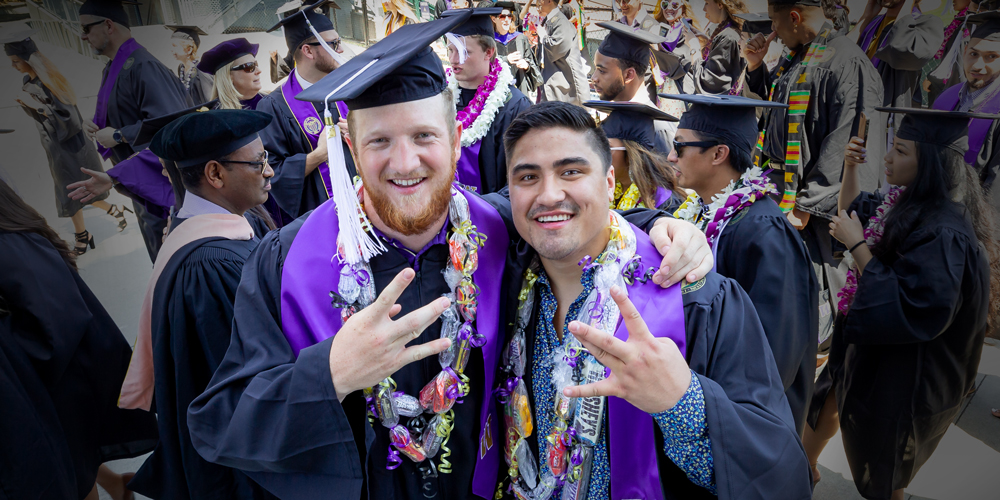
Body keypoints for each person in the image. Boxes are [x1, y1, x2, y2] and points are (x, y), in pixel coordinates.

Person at [187, 16, 713, 499]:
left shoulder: (499, 228)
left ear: (458, 139)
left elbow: (573, 218)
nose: (405, 161)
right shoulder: (284, 262)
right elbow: (220, 424)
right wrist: (330, 373)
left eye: (424, 136)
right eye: (380, 141)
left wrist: (671, 229)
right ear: (348, 142)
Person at [495, 100, 812, 499]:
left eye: (571, 171)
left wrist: (682, 402)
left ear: (610, 181)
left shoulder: (699, 302)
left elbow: (781, 478)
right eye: (527, 177)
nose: (549, 193)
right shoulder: (500, 284)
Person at [829, 107, 1000, 500]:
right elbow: (852, 211)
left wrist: (857, 246)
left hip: (913, 376)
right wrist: (851, 168)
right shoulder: (905, 203)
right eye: (891, 147)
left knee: (888, 469)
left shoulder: (944, 232)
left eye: (901, 151)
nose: (888, 158)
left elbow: (914, 304)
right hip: (891, 362)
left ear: (931, 164)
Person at [122, 110, 278, 500]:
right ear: (215, 174)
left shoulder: (229, 226)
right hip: (244, 458)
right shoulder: (210, 267)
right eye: (259, 162)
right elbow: (246, 378)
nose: (270, 171)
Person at [663, 93, 819, 435]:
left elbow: (778, 349)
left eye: (681, 145)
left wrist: (729, 418)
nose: (671, 155)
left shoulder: (763, 231)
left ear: (719, 154)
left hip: (739, 415)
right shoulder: (700, 212)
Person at [0, 178, 159, 500]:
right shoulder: (16, 234)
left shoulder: (10, 244)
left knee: (69, 469)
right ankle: (116, 485)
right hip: (50, 378)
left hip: (53, 376)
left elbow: (57, 317)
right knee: (73, 462)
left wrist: (15, 357)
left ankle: (114, 486)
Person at [743, 0, 883, 357]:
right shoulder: (802, 58)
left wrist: (804, 207)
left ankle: (820, 385)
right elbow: (774, 117)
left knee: (821, 307)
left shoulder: (846, 62)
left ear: (794, 17)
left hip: (817, 215)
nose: (772, 34)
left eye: (776, 24)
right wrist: (756, 67)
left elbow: (847, 145)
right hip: (785, 199)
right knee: (790, 303)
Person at [78, 0, 190, 261]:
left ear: (108, 25)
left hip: (162, 188)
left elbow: (171, 127)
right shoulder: (116, 66)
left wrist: (119, 135)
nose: (83, 36)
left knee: (171, 264)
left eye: (86, 28)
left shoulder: (142, 66)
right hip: (140, 186)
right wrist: (95, 124)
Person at [3, 29, 129, 255]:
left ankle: (83, 236)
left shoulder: (49, 81)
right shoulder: (30, 80)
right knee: (78, 193)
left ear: (27, 60)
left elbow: (70, 121)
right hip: (56, 147)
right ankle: (114, 210)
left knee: (70, 194)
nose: (13, 66)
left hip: (72, 148)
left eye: (15, 61)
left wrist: (36, 106)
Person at [258, 0, 355, 219]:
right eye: (333, 43)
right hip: (318, 220)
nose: (340, 49)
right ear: (308, 51)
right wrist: (320, 154)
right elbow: (272, 174)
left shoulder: (349, 91)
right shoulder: (275, 106)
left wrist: (361, 133)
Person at [445, 7, 533, 194]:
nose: (453, 60)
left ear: (489, 52)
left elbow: (527, 177)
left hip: (495, 217)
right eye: (450, 50)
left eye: (464, 52)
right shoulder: (441, 99)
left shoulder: (515, 106)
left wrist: (486, 210)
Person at [933, 10, 1000, 211]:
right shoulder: (946, 98)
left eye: (991, 57)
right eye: (973, 54)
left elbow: (997, 184)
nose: (978, 65)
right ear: (964, 52)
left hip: (974, 217)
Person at [591, 22, 674, 155]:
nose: (594, 78)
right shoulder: (612, 119)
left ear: (629, 75)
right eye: (595, 69)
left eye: (602, 71)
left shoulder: (658, 130)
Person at [583, 100, 684, 211]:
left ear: (631, 153)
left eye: (606, 147)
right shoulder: (605, 189)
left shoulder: (665, 202)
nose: (598, 153)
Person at [856, 0, 943, 108]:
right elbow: (842, 53)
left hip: (886, 111)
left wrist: (908, 5)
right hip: (856, 101)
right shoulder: (873, 22)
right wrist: (866, 17)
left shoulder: (925, 24)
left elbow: (901, 48)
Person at [917, 0, 980, 107]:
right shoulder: (961, 23)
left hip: (955, 90)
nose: (952, 1)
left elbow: (957, 66)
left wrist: (933, 78)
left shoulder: (968, 29)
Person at [688, 0, 749, 95]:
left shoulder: (728, 37)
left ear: (720, 4)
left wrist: (694, 47)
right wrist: (706, 43)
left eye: (707, 3)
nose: (704, 9)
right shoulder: (727, 31)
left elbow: (708, 85)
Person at [535, 0, 590, 105]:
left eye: (540, 0)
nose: (538, 3)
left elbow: (557, 47)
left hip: (568, 86)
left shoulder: (561, 21)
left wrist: (543, 36)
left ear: (549, 1)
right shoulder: (552, 20)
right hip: (557, 80)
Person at [486, 1, 542, 98]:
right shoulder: (489, 41)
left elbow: (532, 63)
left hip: (519, 90)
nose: (507, 20)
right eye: (502, 16)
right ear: (494, 19)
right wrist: (506, 60)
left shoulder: (520, 39)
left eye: (509, 16)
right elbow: (485, 64)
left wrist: (527, 65)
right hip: (496, 93)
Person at [651, 0, 701, 109]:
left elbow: (678, 69)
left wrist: (654, 48)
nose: (669, 8)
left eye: (674, 5)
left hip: (681, 94)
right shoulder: (658, 29)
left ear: (683, 7)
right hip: (661, 93)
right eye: (665, 4)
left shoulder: (688, 32)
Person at [199, 38, 264, 111]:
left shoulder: (271, 102)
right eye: (249, 66)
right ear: (229, 77)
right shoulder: (219, 116)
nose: (259, 71)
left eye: (256, 64)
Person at [167, 25, 213, 106]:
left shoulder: (202, 71)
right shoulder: (181, 68)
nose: (171, 49)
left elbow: (210, 101)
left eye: (174, 46)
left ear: (189, 50)